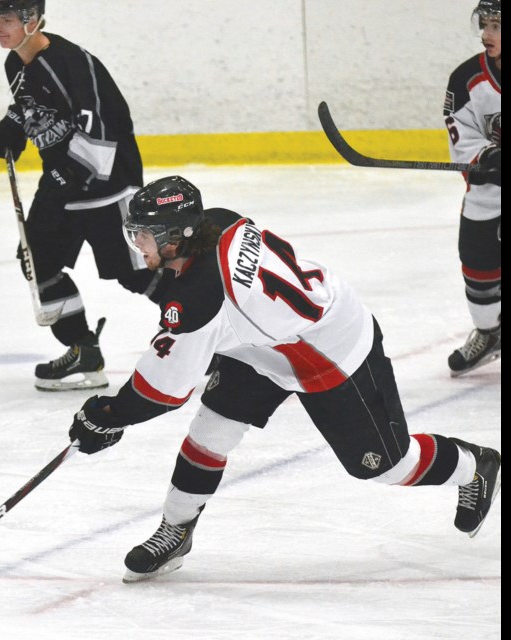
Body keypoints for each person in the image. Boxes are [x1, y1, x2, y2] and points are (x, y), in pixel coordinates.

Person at [67, 175, 502, 583]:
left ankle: (473, 466)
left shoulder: (200, 302)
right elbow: (207, 299)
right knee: (211, 431)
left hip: (332, 351)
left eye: (144, 234)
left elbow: (158, 392)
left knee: (387, 466)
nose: (137, 243)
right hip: (267, 342)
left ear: (175, 236)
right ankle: (176, 530)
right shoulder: (216, 220)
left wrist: (107, 416)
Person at [0, 0, 165, 391]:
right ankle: (83, 349)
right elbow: (31, 107)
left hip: (107, 183)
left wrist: (72, 173)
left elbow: (100, 123)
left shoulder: (73, 61)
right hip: (62, 182)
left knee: (135, 273)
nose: (0, 29)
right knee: (38, 261)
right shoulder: (15, 65)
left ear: (31, 21)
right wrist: (12, 126)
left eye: (8, 21)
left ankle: (210, 335)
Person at [442, 0, 502, 376]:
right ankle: (490, 333)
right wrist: (486, 155)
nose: (487, 34)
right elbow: (460, 134)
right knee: (476, 264)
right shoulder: (466, 79)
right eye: (485, 24)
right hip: (488, 191)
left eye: (496, 26)